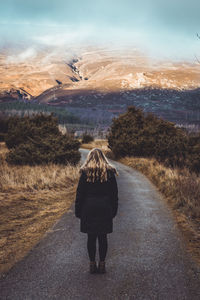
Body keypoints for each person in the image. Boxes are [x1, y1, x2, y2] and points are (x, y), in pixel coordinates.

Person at [75, 148, 118, 274]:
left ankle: (92, 264)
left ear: (89, 158)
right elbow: (114, 195)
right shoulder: (109, 173)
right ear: (103, 157)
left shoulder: (85, 173)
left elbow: (80, 195)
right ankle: (102, 264)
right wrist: (113, 210)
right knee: (103, 237)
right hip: (105, 208)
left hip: (88, 208)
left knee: (91, 237)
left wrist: (78, 211)